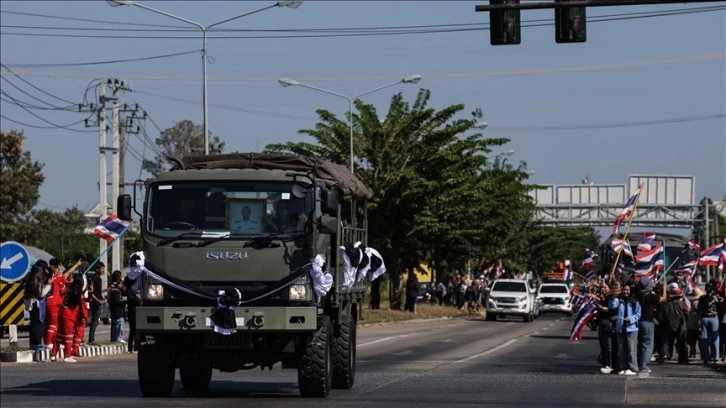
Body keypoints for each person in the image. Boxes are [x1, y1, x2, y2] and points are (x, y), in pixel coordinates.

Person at [43, 258, 82, 350]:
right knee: (53, 323)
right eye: (58, 268)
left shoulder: (50, 277)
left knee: (53, 324)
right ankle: (48, 342)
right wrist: (76, 265)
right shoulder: (55, 278)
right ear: (54, 267)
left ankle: (52, 342)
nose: (59, 270)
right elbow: (68, 273)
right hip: (53, 303)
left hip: (52, 302)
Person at [51, 273, 88, 363]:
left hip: (62, 312)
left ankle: (53, 355)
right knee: (68, 336)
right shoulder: (78, 294)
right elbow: (81, 307)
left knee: (59, 335)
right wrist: (82, 317)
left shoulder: (69, 289)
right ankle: (67, 356)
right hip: (69, 315)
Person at [634, 277, 665, 375]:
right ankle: (644, 367)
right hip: (647, 321)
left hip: (637, 321)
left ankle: (639, 364)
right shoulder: (651, 296)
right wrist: (664, 287)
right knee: (647, 345)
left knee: (639, 344)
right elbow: (663, 298)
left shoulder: (637, 294)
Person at [610, 283, 640, 375]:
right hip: (620, 328)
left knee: (631, 349)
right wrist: (614, 297)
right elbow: (612, 306)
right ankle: (622, 367)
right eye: (624, 290)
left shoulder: (635, 301)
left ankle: (633, 368)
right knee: (621, 349)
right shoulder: (619, 300)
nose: (625, 291)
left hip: (631, 328)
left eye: (627, 290)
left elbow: (638, 314)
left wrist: (631, 318)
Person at [23, 262, 51, 350]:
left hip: (31, 304)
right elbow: (41, 294)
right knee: (38, 325)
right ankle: (36, 343)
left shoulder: (30, 278)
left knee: (34, 324)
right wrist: (49, 285)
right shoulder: (37, 280)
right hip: (36, 304)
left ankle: (34, 343)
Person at [697, 280, 723, 364]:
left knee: (704, 338)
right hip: (714, 318)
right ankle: (715, 357)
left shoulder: (702, 298)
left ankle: (705, 357)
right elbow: (722, 305)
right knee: (715, 338)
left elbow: (699, 308)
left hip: (704, 318)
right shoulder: (716, 297)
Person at [124, 254, 143, 353]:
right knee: (135, 328)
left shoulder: (140, 274)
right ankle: (133, 348)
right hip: (135, 303)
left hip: (135, 303)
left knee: (135, 329)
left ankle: (133, 347)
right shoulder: (140, 274)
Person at [87, 262, 105, 345]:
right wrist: (98, 300)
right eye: (102, 269)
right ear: (97, 270)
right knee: (94, 321)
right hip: (95, 303)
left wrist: (105, 290)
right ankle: (91, 339)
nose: (103, 270)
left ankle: (91, 339)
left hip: (97, 302)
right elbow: (91, 292)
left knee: (95, 320)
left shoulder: (98, 279)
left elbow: (97, 291)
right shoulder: (95, 279)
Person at [108, 270, 127, 344]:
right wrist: (124, 302)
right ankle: (118, 338)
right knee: (119, 325)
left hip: (114, 310)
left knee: (115, 325)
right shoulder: (116, 291)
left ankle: (114, 338)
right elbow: (118, 300)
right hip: (118, 310)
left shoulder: (112, 287)